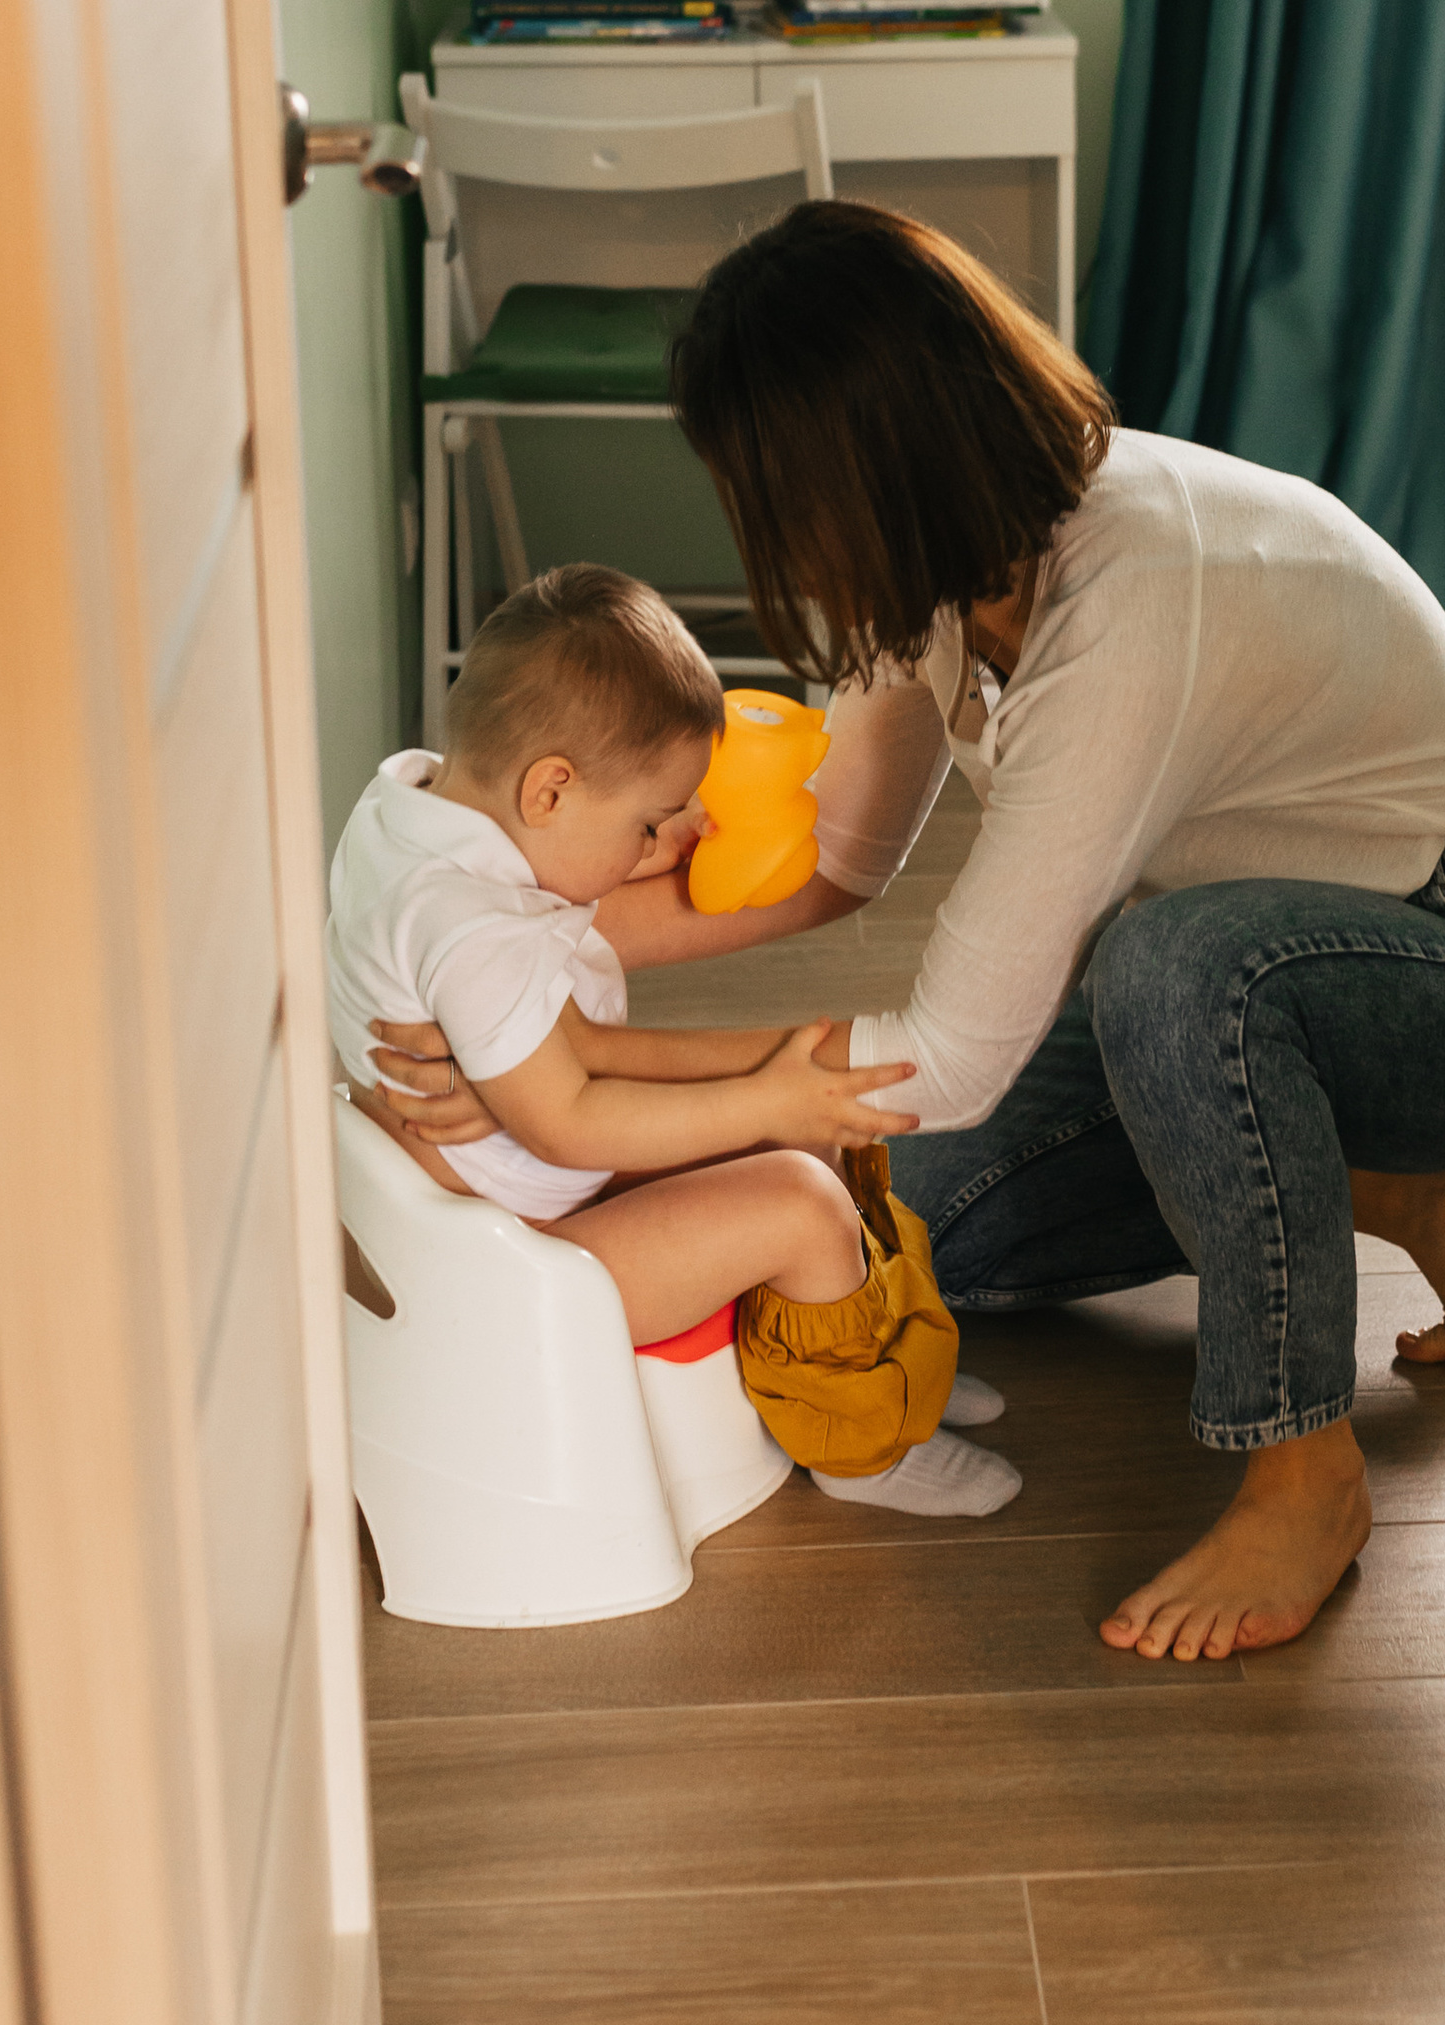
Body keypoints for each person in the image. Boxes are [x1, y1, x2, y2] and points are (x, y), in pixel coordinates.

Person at [379, 211, 1445, 1652]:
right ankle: (1398, 1185)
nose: (759, 529)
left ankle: (1304, 1468)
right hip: (1290, 987)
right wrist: (503, 976)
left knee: (1158, 974)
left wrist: (609, 1084)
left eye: (765, 487)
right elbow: (836, 864)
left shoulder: (1136, 600)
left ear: (862, 468)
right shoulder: (947, 577)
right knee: (903, 1235)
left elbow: (959, 1059)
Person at [334, 560, 1016, 1518]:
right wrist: (765, 1097)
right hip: (522, 1258)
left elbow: (582, 1050)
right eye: (650, 823)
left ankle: (873, 1353)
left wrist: (773, 1074)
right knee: (801, 1202)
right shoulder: (475, 933)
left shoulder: (414, 817)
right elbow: (570, 1121)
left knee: (804, 1125)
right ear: (550, 792)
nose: (669, 841)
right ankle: (863, 1448)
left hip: (510, 1203)